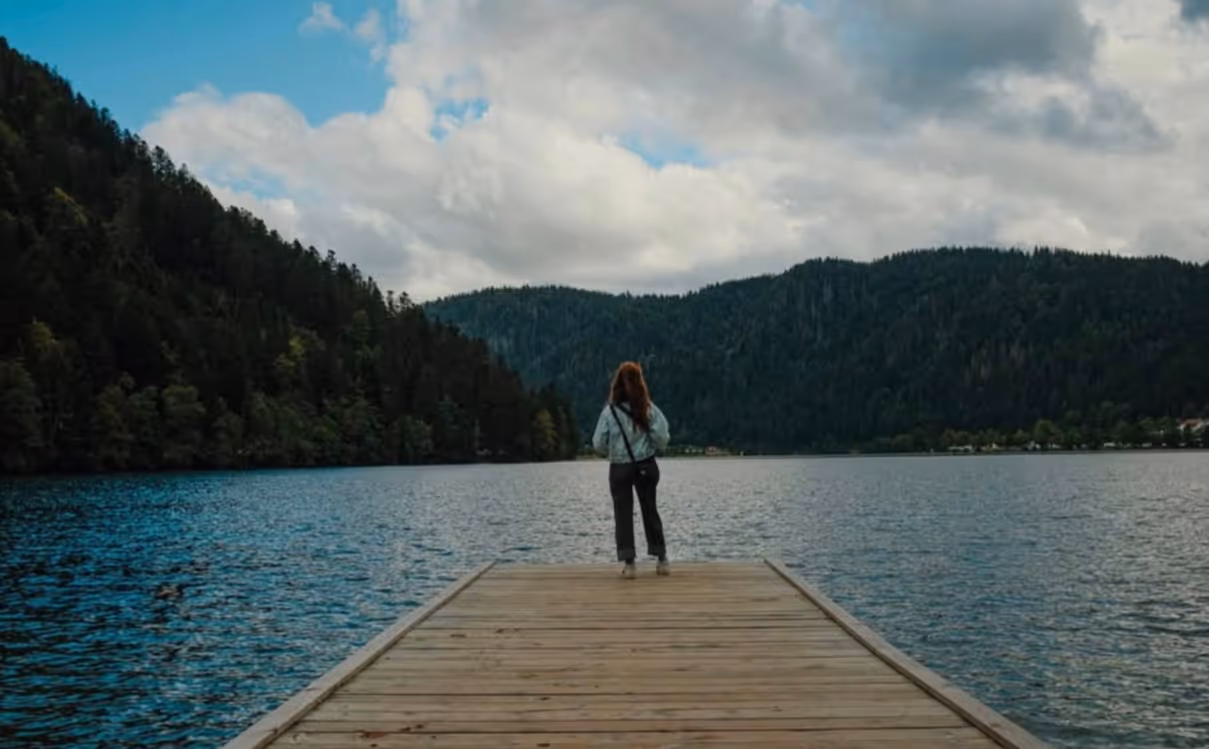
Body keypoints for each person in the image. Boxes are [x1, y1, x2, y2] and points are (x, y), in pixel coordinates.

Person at [592, 361, 671, 579]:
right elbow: (663, 437)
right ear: (640, 383)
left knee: (623, 514)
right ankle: (662, 560)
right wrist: (652, 446)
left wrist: (611, 451)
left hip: (619, 468)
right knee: (650, 510)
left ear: (616, 384)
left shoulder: (609, 412)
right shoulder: (648, 408)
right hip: (646, 465)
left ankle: (629, 565)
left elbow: (598, 443)